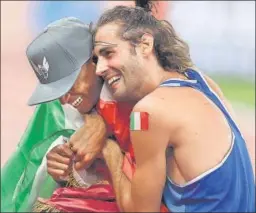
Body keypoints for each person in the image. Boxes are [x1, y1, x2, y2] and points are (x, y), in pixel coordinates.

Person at [92, 2, 255, 212]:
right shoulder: (203, 82)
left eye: (108, 53)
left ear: (144, 45)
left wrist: (109, 148)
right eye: (97, 59)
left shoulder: (148, 112)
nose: (99, 69)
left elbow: (140, 211)